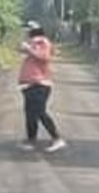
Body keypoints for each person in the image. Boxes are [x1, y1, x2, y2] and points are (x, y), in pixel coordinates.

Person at [19, 23, 65, 152]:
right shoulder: (33, 43)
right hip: (29, 84)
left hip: (40, 84)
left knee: (39, 112)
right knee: (30, 113)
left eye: (28, 30)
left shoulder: (42, 42)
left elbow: (44, 57)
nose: (26, 32)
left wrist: (29, 49)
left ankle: (57, 138)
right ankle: (31, 139)